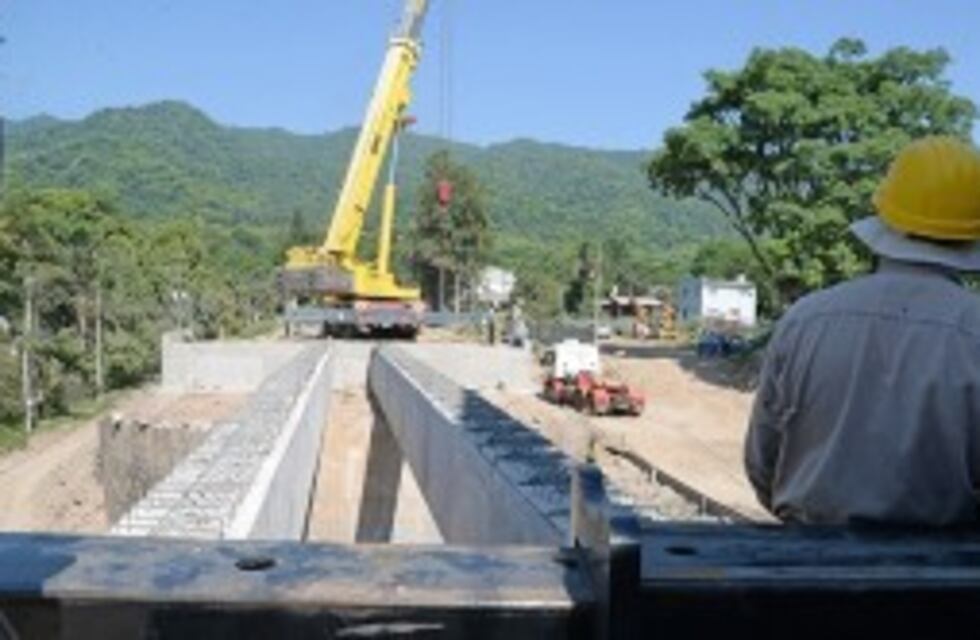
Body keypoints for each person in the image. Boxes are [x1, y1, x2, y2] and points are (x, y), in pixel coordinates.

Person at [744, 136, 980, 526]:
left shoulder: (805, 320)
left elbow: (762, 463)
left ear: (886, 220)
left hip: (807, 566)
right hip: (943, 577)